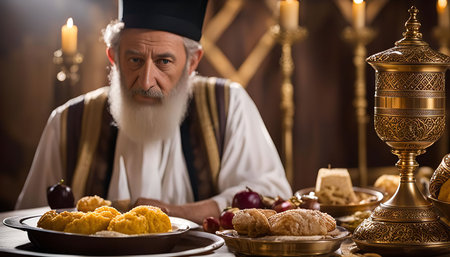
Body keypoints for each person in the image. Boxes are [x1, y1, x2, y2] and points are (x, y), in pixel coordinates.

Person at [15, 0, 292, 224]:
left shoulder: (228, 105)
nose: (146, 81)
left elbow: (272, 198)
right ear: (113, 57)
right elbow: (26, 222)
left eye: (164, 62)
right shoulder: (68, 122)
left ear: (192, 61)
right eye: (134, 59)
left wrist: (178, 213)